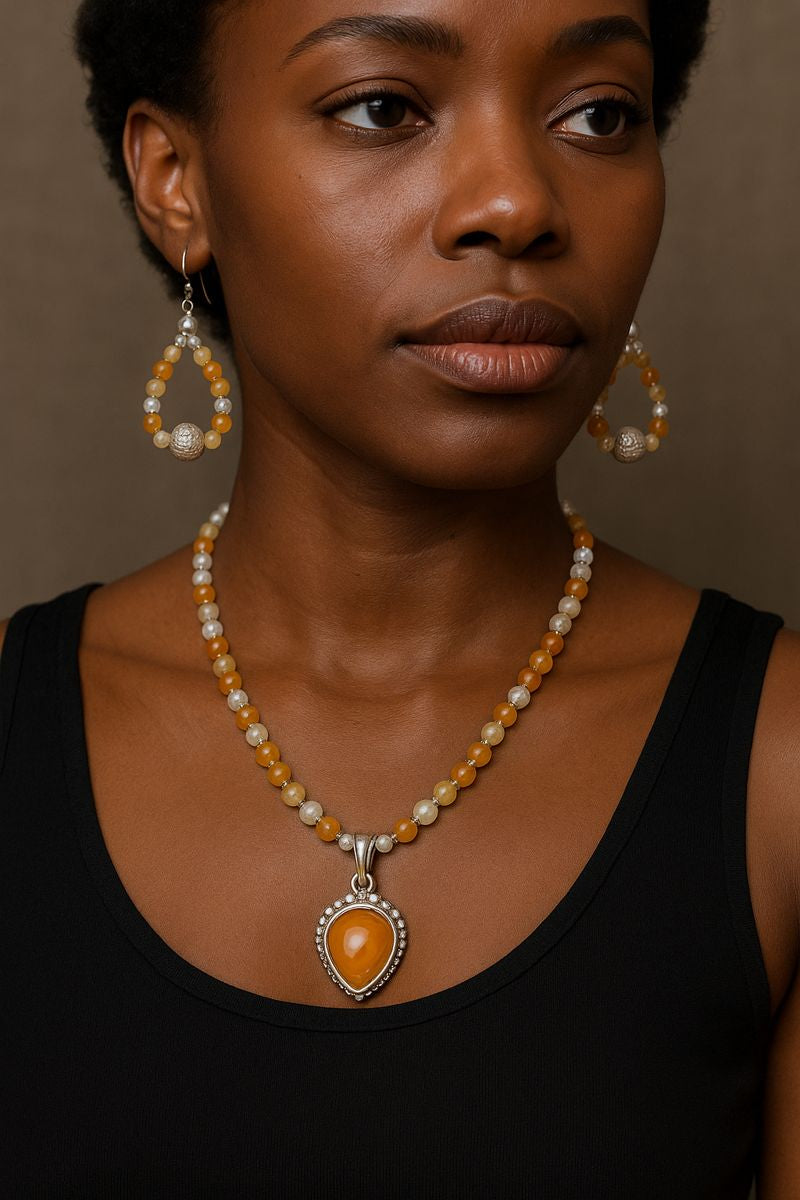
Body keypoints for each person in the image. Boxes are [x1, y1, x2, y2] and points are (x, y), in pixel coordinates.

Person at [1, 1, 797, 1195]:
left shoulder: (780, 775)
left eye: (597, 114)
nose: (517, 203)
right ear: (178, 181)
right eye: (382, 107)